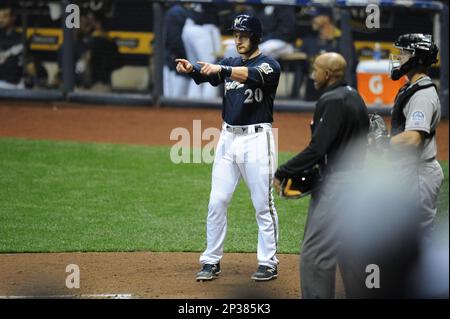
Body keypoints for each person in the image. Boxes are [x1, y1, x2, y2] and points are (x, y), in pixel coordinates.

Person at [176, 14, 281, 282]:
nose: (238, 40)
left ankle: (268, 262)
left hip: (257, 139)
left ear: (255, 37)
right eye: (235, 35)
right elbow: (209, 74)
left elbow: (250, 76)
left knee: (262, 204)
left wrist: (220, 70)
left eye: (243, 35)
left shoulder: (269, 65)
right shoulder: (229, 62)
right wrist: (192, 70)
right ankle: (211, 260)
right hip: (227, 139)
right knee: (217, 201)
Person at [274, 52, 369, 298]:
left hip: (339, 185)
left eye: (316, 69)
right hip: (358, 182)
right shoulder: (354, 95)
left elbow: (318, 148)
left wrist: (284, 170)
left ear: (327, 74)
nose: (313, 74)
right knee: (350, 252)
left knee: (314, 255)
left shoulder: (333, 99)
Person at [388, 33, 444, 235]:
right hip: (409, 170)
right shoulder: (412, 88)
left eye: (403, 53)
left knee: (417, 236)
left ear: (416, 58)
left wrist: (385, 142)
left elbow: (413, 138)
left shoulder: (422, 95)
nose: (398, 57)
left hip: (419, 174)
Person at [299, 8, 358, 101]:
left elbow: (351, 65)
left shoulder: (342, 41)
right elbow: (298, 59)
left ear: (326, 18)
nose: (312, 20)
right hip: (312, 93)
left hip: (335, 93)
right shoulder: (309, 40)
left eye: (316, 17)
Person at [163, 4, 190, 98]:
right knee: (172, 98)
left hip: (176, 60)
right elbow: (174, 40)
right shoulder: (177, 11)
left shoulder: (178, 10)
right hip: (173, 61)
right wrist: (186, 55)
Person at [0, 4, 23, 89]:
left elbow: (29, 64)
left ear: (13, 18)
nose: (1, 20)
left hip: (12, 84)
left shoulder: (20, 38)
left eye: (4, 16)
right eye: (0, 17)